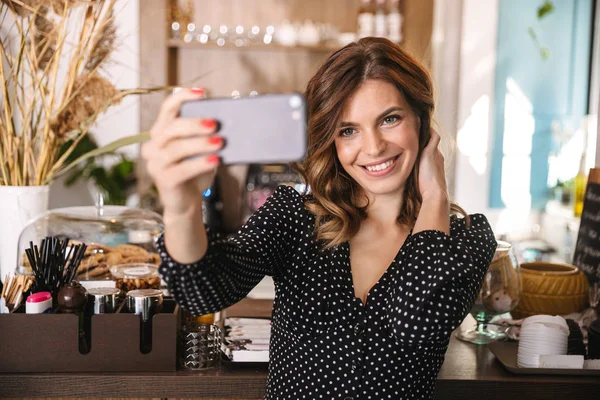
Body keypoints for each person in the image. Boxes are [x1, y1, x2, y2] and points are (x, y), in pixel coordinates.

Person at [142, 37, 497, 399]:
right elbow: (204, 293)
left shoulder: (464, 238)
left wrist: (436, 194)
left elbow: (414, 323)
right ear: (331, 140)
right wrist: (181, 206)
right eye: (348, 130)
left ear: (422, 122)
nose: (373, 147)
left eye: (390, 119)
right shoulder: (296, 216)